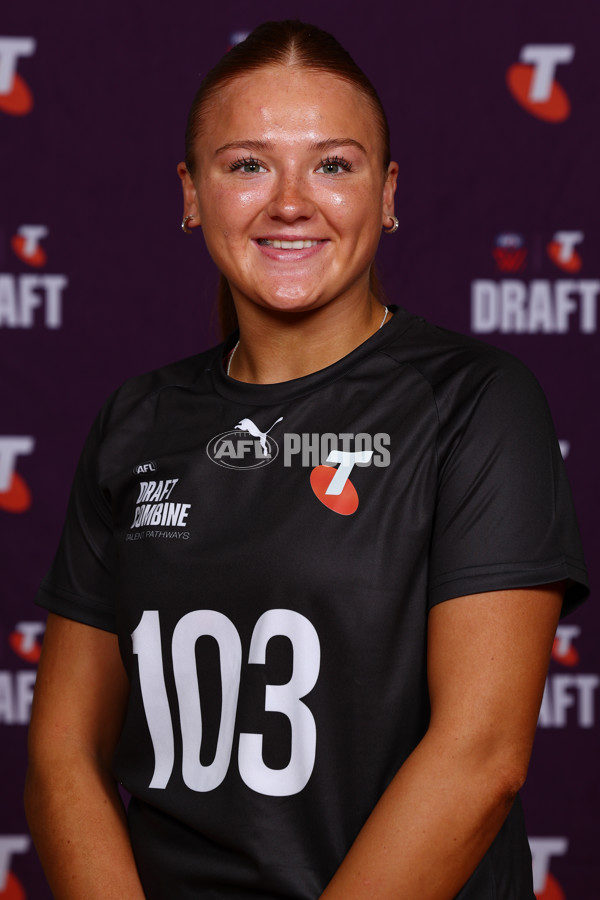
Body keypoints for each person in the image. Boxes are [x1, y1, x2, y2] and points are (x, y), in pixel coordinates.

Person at [25, 19, 588, 900]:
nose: (291, 200)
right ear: (190, 193)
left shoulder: (477, 403)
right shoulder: (135, 421)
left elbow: (480, 760)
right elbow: (64, 753)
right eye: (247, 163)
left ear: (389, 192)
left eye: (334, 163)